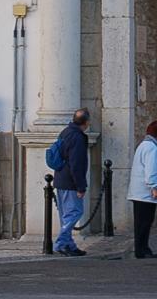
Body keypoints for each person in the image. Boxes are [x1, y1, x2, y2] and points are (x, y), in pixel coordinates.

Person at [128, 120, 157, 258]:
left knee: (142, 222)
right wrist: (154, 188)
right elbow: (150, 169)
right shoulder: (151, 148)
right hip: (145, 193)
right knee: (145, 222)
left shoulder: (144, 145)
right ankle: (142, 249)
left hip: (140, 192)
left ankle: (142, 248)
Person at [53, 107, 91, 256]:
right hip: (70, 182)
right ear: (86, 122)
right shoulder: (78, 137)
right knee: (75, 212)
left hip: (61, 179)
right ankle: (61, 243)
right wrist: (81, 186)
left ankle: (69, 245)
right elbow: (77, 164)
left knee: (66, 216)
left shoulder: (65, 132)